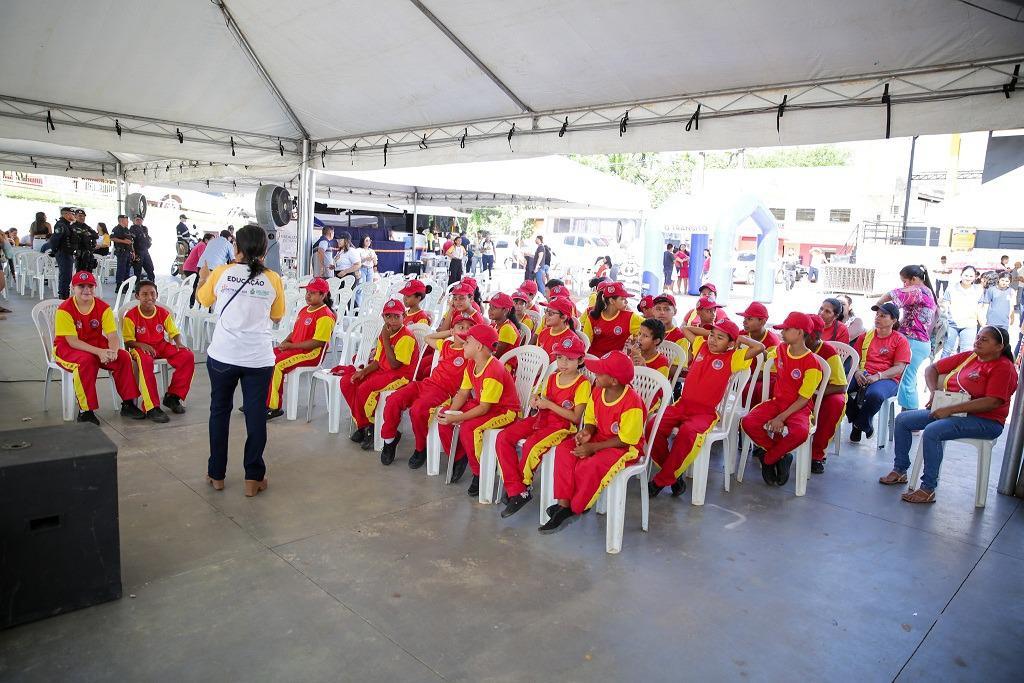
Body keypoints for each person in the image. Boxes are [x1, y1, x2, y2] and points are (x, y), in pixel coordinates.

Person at [880, 326, 1017, 504]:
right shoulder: (970, 356)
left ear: (999, 347)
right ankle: (900, 470)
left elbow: (993, 401)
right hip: (954, 411)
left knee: (933, 431)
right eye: (978, 337)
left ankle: (928, 488)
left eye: (985, 340)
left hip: (986, 421)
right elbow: (932, 369)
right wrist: (933, 392)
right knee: (903, 420)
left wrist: (950, 410)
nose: (978, 341)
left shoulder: (1003, 368)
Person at [197, 225, 285, 497]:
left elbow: (203, 299)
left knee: (219, 412)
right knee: (256, 416)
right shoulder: (273, 279)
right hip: (258, 358)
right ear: (263, 250)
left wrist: (203, 278)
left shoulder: (222, 272)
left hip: (223, 355)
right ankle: (253, 478)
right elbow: (277, 316)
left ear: (236, 248)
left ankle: (217, 474)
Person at [650, 319, 762, 496]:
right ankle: (671, 474)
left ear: (731, 343)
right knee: (652, 427)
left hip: (705, 412)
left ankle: (660, 481)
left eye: (720, 338)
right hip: (682, 405)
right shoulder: (701, 346)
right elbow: (685, 328)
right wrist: (712, 332)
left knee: (688, 433)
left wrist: (739, 338)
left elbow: (759, 348)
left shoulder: (733, 357)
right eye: (711, 335)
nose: (712, 340)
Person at [540, 351, 647, 533]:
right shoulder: (598, 390)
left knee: (590, 465)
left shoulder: (632, 403)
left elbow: (627, 439)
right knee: (565, 449)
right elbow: (590, 418)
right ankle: (563, 505)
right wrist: (587, 431)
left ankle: (576, 508)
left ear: (613, 381)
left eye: (599, 373)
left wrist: (593, 447)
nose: (594, 376)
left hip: (624, 447)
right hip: (599, 437)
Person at [496, 335, 591, 518]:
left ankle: (520, 488)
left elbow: (576, 417)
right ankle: (517, 489)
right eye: (560, 357)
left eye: (570, 359)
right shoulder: (553, 377)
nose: (563, 363)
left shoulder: (583, 383)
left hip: (562, 426)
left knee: (532, 446)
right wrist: (535, 400)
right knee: (503, 437)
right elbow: (541, 396)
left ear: (580, 360)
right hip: (541, 419)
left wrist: (549, 405)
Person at [379, 311, 479, 467]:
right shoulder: (445, 344)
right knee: (393, 400)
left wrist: (470, 337)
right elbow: (428, 338)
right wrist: (449, 332)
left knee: (418, 409)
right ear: (453, 330)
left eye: (469, 328)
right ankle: (389, 440)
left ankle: (421, 448)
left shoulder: (471, 354)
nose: (464, 331)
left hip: (442, 391)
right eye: (461, 327)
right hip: (425, 384)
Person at [741, 312, 823, 487]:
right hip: (776, 402)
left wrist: (781, 417)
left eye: (786, 329)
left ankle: (769, 459)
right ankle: (779, 455)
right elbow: (766, 360)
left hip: (798, 409)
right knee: (748, 422)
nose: (782, 333)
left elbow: (803, 399)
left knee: (800, 432)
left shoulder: (812, 364)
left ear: (800, 333)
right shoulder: (780, 349)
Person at [52, 270, 145, 425]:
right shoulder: (65, 309)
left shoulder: (102, 307)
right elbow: (72, 341)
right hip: (67, 347)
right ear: (73, 288)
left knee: (123, 357)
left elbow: (112, 335)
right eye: (81, 286)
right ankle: (86, 411)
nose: (87, 290)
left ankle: (128, 403)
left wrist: (113, 351)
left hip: (95, 343)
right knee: (86, 361)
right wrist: (99, 352)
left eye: (90, 286)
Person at [436, 323, 520, 493]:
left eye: (467, 342)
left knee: (468, 429)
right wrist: (451, 413)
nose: (463, 344)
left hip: (504, 411)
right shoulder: (471, 363)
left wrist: (457, 418)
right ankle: (460, 457)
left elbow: (484, 409)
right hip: (483, 404)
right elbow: (463, 393)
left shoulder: (494, 370)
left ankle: (480, 472)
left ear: (479, 346)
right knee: (444, 416)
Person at [338, 299, 419, 450]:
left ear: (404, 316)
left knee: (365, 389)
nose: (392, 320)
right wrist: (363, 371)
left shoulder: (405, 336)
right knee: (348, 382)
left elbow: (395, 365)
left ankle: (373, 427)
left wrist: (386, 339)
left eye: (396, 316)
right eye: (388, 316)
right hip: (383, 372)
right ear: (383, 317)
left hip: (400, 376)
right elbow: (377, 361)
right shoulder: (386, 333)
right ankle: (363, 425)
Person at [122, 280, 194, 422]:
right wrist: (141, 345)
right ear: (137, 296)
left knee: (187, 356)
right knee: (146, 361)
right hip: (139, 349)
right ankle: (151, 407)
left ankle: (173, 396)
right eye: (144, 294)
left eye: (152, 294)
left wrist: (179, 343)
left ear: (157, 295)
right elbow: (127, 341)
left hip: (160, 345)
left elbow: (173, 332)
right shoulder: (130, 316)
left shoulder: (163, 313)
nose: (149, 297)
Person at [265, 278, 336, 419]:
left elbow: (318, 343)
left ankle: (273, 407)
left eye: (313, 293)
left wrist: (291, 346)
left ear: (323, 295)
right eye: (307, 292)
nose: (308, 295)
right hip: (296, 348)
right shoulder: (304, 310)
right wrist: (285, 342)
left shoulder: (325, 315)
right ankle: (262, 400)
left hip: (311, 354)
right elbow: (296, 332)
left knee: (277, 364)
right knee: (265, 358)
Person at [845, 302, 911, 443]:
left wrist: (878, 376)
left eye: (883, 316)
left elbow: (899, 368)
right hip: (863, 373)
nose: (877, 318)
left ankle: (860, 425)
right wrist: (856, 372)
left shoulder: (900, 340)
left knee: (875, 394)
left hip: (888, 378)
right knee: (839, 389)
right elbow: (854, 358)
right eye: (877, 315)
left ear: (893, 320)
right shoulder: (866, 336)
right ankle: (859, 420)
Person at [876, 264, 936, 409]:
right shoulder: (927, 292)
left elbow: (894, 293)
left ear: (914, 279)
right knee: (909, 380)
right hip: (919, 342)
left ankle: (909, 419)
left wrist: (878, 304)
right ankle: (906, 416)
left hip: (914, 342)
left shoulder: (918, 290)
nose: (904, 285)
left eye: (905, 281)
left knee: (905, 381)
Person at [806, 314, 850, 473]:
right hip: (801, 392)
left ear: (815, 336)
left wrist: (814, 393)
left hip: (825, 393)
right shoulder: (792, 348)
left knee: (835, 403)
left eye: (803, 333)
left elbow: (840, 386)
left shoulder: (828, 352)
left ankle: (817, 455)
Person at [582, 281, 643, 357]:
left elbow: (650, 328)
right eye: (622, 299)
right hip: (594, 360)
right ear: (612, 301)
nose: (627, 302)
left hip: (615, 362)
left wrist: (635, 339)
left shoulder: (631, 317)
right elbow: (585, 343)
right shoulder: (593, 317)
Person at [942, 266, 982, 358]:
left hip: (969, 325)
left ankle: (962, 372)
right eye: (966, 275)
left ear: (975, 277)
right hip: (952, 324)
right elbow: (946, 303)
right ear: (961, 275)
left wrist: (983, 324)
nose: (968, 278)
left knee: (966, 353)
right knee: (947, 351)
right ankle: (941, 371)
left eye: (971, 276)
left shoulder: (978, 289)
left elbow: (979, 309)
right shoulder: (951, 287)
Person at [49, 207, 76, 299]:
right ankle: (63, 296)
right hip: (63, 253)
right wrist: (55, 250)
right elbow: (54, 239)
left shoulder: (67, 225)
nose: (73, 216)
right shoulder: (61, 225)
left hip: (68, 253)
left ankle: (65, 295)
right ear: (66, 214)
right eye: (72, 214)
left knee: (67, 276)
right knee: (65, 276)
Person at [487, 292, 522, 358]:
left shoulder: (507, 328)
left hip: (505, 365)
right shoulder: (494, 325)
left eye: (494, 307)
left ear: (505, 311)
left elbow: (497, 355)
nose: (489, 310)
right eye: (490, 306)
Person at [182, 233, 213, 305]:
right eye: (211, 240)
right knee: (195, 286)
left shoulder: (202, 244)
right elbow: (202, 258)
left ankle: (192, 303)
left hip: (190, 268)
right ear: (206, 240)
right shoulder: (202, 245)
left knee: (195, 285)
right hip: (191, 268)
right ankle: (192, 303)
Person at [110, 215, 135, 290]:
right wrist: (124, 241)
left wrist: (133, 251)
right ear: (121, 220)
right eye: (126, 220)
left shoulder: (127, 230)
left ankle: (126, 286)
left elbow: (130, 242)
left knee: (127, 270)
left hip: (128, 252)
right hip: (121, 252)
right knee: (121, 269)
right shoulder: (116, 229)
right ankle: (119, 286)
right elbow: (112, 238)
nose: (127, 222)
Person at [129, 215, 155, 282]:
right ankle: (137, 285)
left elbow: (147, 237)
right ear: (134, 221)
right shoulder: (132, 228)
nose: (138, 221)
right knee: (137, 269)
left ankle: (152, 282)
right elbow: (131, 240)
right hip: (138, 251)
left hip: (145, 250)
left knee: (150, 267)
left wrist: (149, 241)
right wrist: (133, 252)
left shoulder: (144, 228)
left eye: (140, 219)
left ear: (142, 220)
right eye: (136, 220)